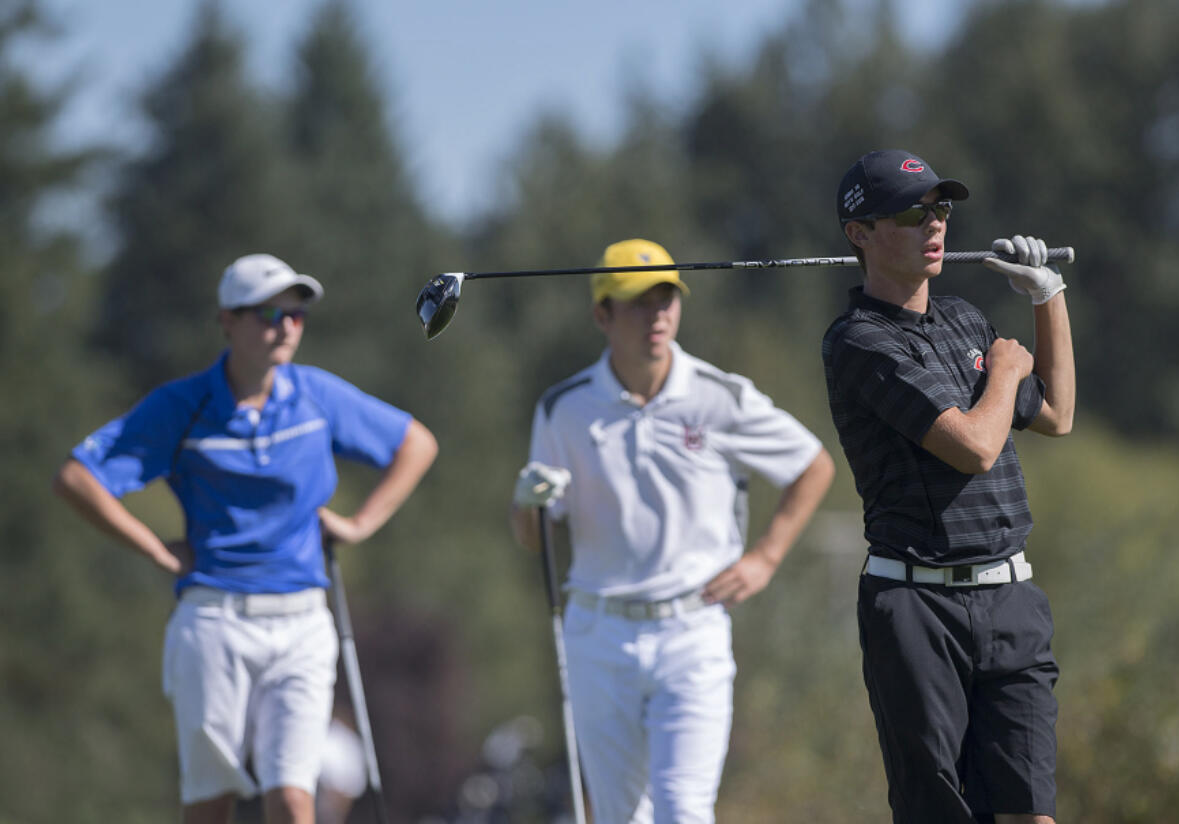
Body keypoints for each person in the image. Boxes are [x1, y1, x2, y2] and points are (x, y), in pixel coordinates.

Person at [53, 253, 438, 824]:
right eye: (267, 314)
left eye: (296, 315)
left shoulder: (316, 396)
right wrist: (157, 549)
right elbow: (78, 477)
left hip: (303, 623)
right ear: (227, 321)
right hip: (214, 622)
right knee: (212, 802)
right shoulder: (183, 407)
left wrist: (360, 524)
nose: (284, 326)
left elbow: (416, 443)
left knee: (292, 797)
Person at [508, 238, 836, 823]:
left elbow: (812, 465)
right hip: (597, 632)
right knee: (617, 816)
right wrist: (524, 505)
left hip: (693, 630)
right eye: (636, 302)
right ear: (602, 314)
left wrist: (765, 557)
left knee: (684, 811)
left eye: (666, 299)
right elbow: (537, 537)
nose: (656, 315)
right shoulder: (564, 408)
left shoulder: (720, 394)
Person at [823, 149, 1075, 824]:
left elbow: (1055, 414)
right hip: (915, 607)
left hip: (1010, 600)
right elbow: (973, 446)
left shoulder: (965, 319)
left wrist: (1046, 296)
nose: (935, 225)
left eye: (941, 209)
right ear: (861, 233)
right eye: (912, 213)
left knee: (1031, 814)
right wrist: (1004, 370)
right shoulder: (859, 342)